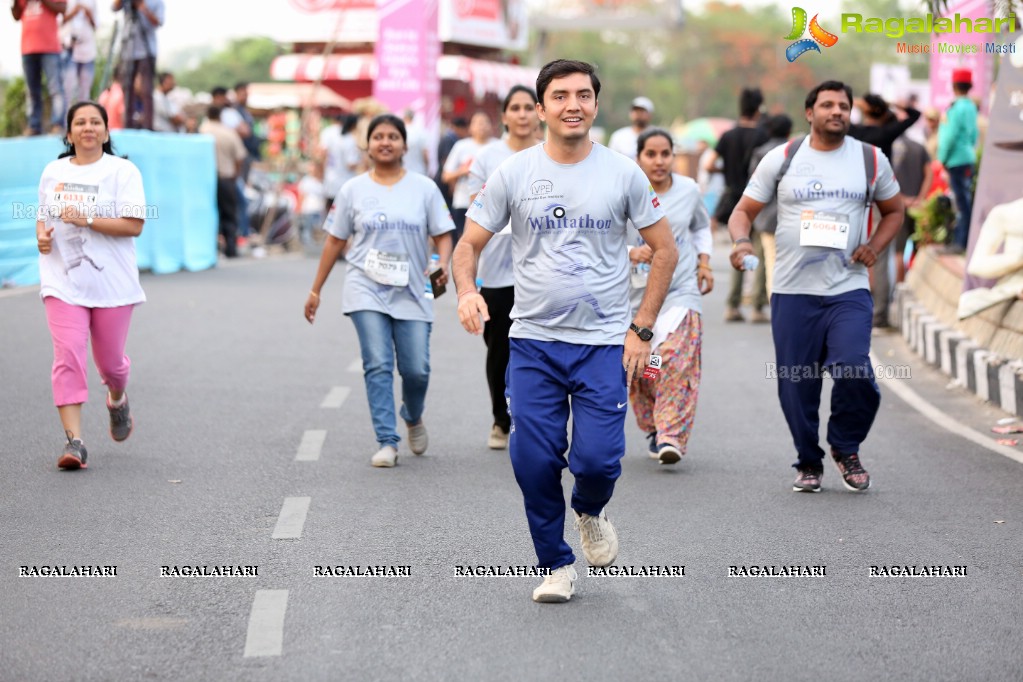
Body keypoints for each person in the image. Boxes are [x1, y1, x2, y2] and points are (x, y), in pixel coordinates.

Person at [453, 59, 678, 603]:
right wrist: (466, 290)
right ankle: (555, 564)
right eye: (560, 96)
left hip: (602, 342)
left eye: (583, 95)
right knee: (532, 460)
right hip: (533, 341)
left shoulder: (624, 173)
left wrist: (641, 328)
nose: (572, 104)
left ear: (596, 105)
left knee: (598, 461)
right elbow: (468, 245)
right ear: (541, 106)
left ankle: (590, 510)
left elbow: (666, 250)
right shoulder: (513, 173)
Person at [728, 80, 903, 494]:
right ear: (810, 113)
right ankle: (808, 460)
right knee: (797, 384)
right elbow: (743, 211)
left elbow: (894, 211)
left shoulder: (870, 160)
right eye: (827, 105)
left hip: (848, 286)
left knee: (855, 369)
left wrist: (874, 246)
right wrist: (739, 242)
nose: (837, 111)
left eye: (843, 106)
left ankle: (845, 446)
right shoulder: (784, 157)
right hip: (792, 290)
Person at [305, 114, 454, 468]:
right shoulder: (352, 189)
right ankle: (387, 440)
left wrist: (442, 263)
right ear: (367, 145)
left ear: (405, 145)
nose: (385, 142)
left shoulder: (424, 188)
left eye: (392, 136)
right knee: (378, 363)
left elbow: (444, 233)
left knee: (416, 369)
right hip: (365, 286)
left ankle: (413, 414)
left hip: (413, 288)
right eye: (378, 137)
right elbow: (335, 240)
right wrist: (316, 290)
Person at [34, 100, 147, 469]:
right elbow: (42, 217)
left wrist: (88, 220)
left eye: (95, 122)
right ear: (68, 134)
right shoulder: (53, 171)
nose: (88, 127)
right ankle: (74, 443)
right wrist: (42, 238)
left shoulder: (122, 172)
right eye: (80, 122)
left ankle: (117, 397)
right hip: (62, 279)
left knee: (111, 364)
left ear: (106, 131)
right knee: (67, 354)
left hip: (111, 282)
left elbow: (134, 225)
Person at [464, 84, 543, 451]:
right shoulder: (487, 157)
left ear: (539, 112)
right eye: (516, 107)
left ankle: (533, 418)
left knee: (541, 347)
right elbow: (474, 206)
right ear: (505, 116)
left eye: (529, 107)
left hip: (543, 270)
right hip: (497, 270)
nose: (523, 114)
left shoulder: (551, 153)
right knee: (499, 349)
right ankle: (501, 417)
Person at [628, 128, 713, 465]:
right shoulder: (625, 191)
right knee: (647, 367)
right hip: (635, 297)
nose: (659, 161)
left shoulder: (689, 191)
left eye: (665, 154)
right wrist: (631, 252)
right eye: (651, 154)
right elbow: (602, 239)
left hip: (680, 292)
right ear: (639, 157)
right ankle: (654, 424)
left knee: (673, 358)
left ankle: (670, 435)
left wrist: (704, 263)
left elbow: (700, 227)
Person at [705, 87, 768, 323]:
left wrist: (727, 170)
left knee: (738, 249)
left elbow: (709, 164)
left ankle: (732, 305)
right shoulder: (763, 136)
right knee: (759, 251)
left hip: (734, 201)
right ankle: (757, 307)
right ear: (759, 109)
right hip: (758, 201)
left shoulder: (728, 136)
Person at [746, 114, 793, 299]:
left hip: (766, 217)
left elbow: (754, 186)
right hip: (791, 216)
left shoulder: (760, 152)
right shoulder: (795, 152)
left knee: (771, 261)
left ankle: (776, 307)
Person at [937, 68, 979, 254]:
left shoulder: (955, 107)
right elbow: (973, 134)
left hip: (955, 160)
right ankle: (962, 241)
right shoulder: (971, 106)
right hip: (967, 157)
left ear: (954, 86)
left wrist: (942, 158)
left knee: (961, 204)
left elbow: (949, 136)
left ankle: (961, 243)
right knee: (964, 201)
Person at [12, 0, 67, 136]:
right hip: (28, 48)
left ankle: (58, 124)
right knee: (31, 91)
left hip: (50, 48)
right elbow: (16, 15)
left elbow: (63, 8)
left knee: (55, 88)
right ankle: (34, 125)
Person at [199, 105, 246, 258]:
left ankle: (210, 248)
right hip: (226, 178)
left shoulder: (202, 131)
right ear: (220, 116)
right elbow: (240, 157)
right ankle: (231, 248)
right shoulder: (228, 132)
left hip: (205, 180)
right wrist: (235, 174)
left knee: (207, 214)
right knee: (229, 215)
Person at [442, 112, 494, 246]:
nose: (481, 126)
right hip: (464, 202)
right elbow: (446, 175)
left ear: (491, 126)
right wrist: (464, 171)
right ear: (470, 128)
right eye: (477, 123)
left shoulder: (497, 146)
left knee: (489, 243)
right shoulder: (461, 146)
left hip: (493, 204)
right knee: (464, 242)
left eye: (485, 122)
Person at [112, 0, 164, 131]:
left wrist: (142, 7)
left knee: (146, 89)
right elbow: (114, 8)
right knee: (127, 88)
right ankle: (128, 125)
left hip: (147, 50)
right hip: (128, 49)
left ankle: (148, 125)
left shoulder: (157, 2)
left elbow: (158, 22)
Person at [890, 134, 932, 285]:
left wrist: (902, 199)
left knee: (898, 252)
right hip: (918, 207)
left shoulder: (889, 146)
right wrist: (920, 198)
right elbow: (929, 173)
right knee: (919, 249)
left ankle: (899, 289)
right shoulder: (919, 147)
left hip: (898, 206)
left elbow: (884, 179)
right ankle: (914, 286)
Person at [321, 113, 361, 215]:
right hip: (344, 184)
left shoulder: (332, 135)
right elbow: (351, 164)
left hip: (331, 180)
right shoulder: (349, 140)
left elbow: (322, 153)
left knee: (331, 218)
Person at [60, 0, 96, 105]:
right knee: (67, 91)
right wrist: (72, 13)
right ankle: (67, 120)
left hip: (87, 51)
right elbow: (57, 22)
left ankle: (82, 119)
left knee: (85, 93)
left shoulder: (91, 2)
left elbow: (96, 25)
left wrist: (89, 15)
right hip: (68, 50)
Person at [607, 95, 654, 160]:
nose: (638, 114)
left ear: (650, 114)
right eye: (635, 111)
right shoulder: (619, 136)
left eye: (642, 111)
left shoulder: (658, 137)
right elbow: (611, 160)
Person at [296, 160, 325, 247]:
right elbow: (302, 195)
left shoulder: (321, 180)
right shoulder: (306, 181)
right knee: (307, 229)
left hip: (320, 209)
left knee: (319, 228)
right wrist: (299, 208)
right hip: (308, 209)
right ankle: (308, 247)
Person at [402, 108, 430, 176]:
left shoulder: (400, 132)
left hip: (403, 172)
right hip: (419, 171)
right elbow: (425, 154)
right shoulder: (421, 132)